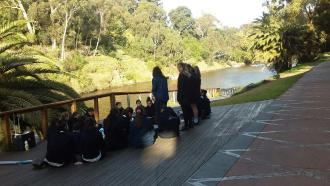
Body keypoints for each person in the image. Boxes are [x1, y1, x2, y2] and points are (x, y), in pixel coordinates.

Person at [177, 62, 194, 130]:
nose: (178, 69)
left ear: (182, 67)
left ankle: (187, 124)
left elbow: (181, 88)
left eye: (179, 67)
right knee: (188, 110)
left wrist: (179, 97)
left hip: (184, 96)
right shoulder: (188, 74)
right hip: (188, 96)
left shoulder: (182, 75)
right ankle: (190, 123)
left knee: (185, 111)